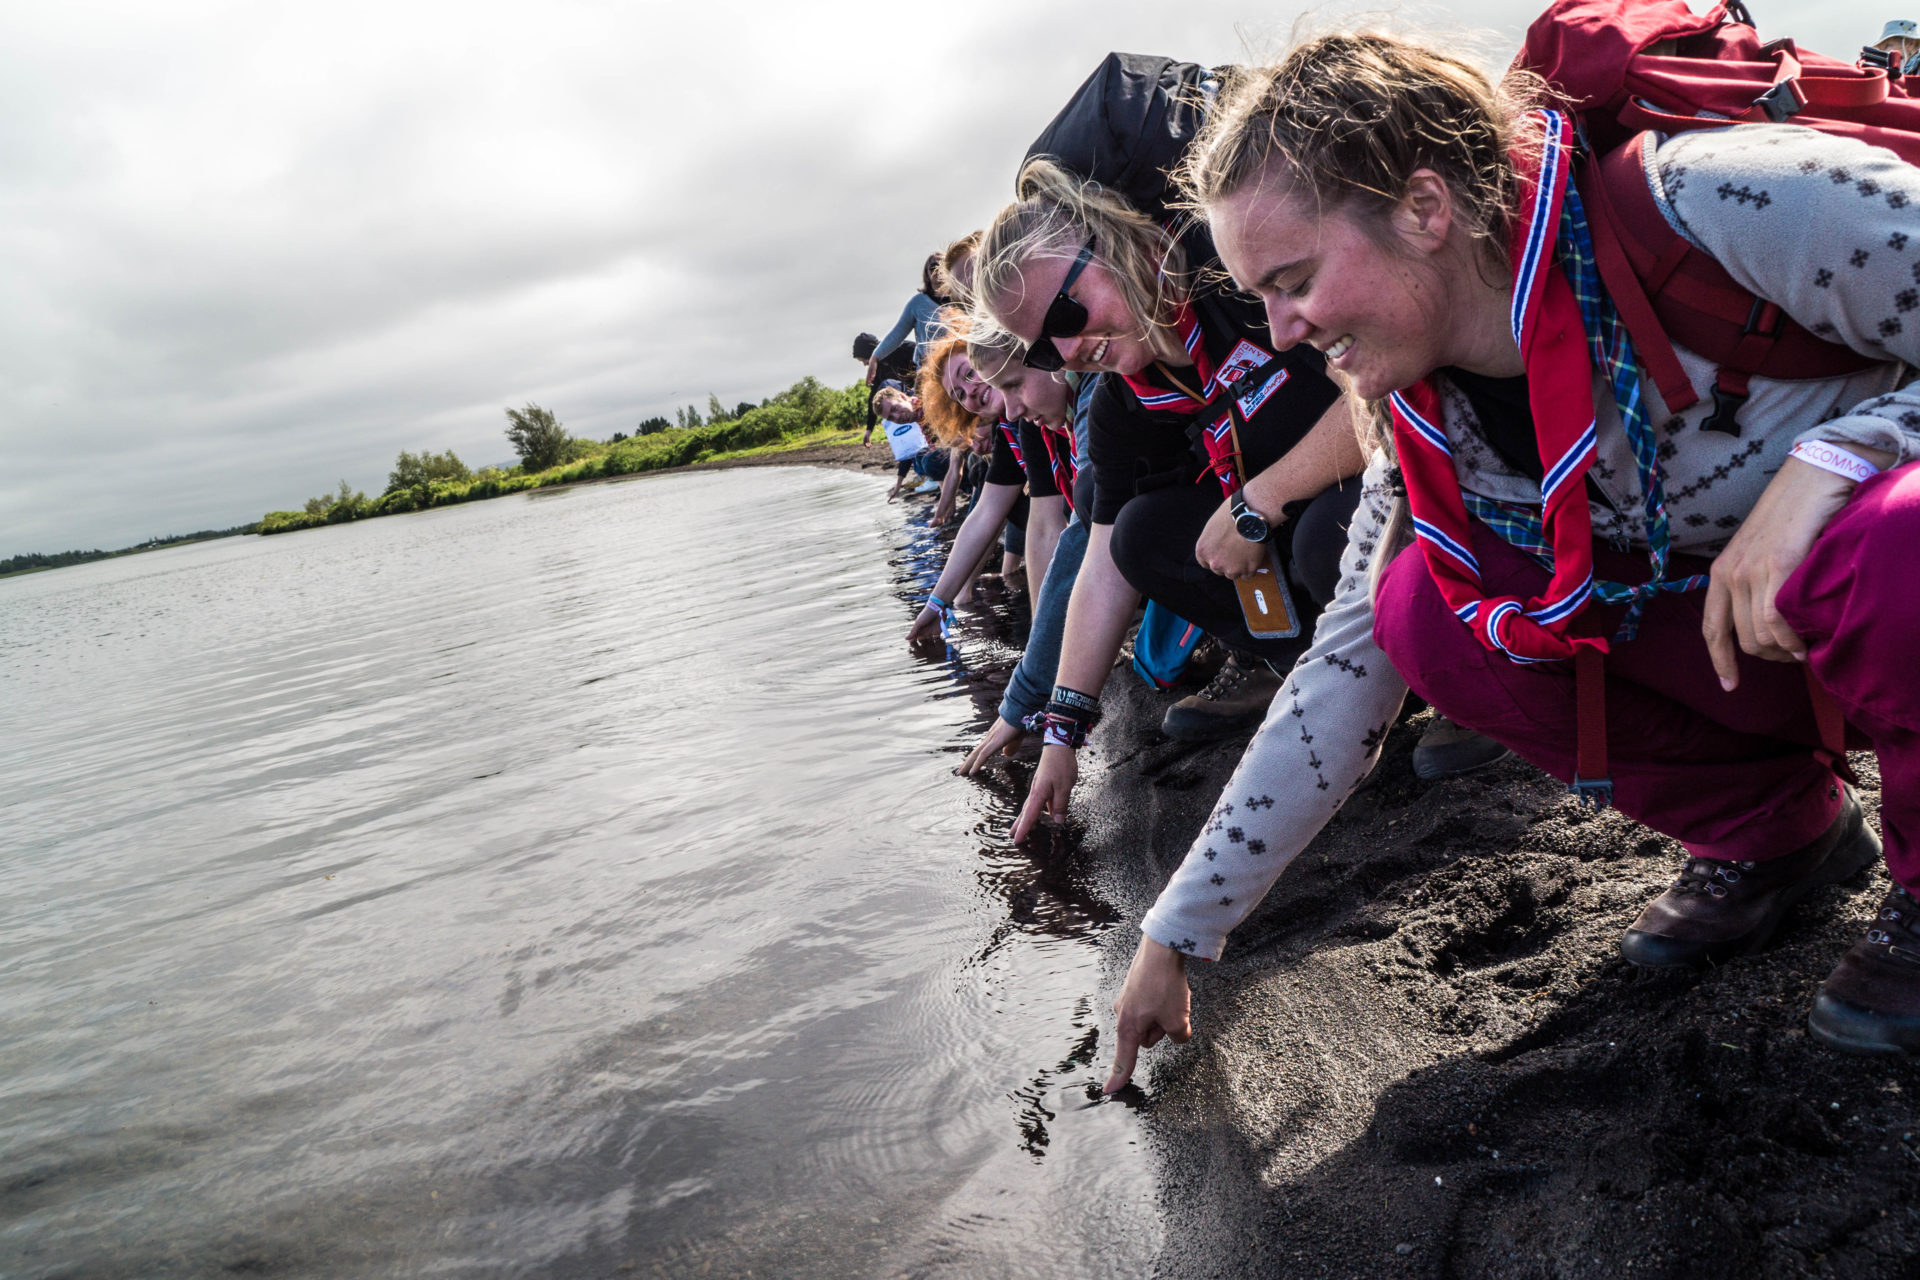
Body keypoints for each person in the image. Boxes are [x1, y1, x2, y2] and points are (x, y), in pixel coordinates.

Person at [1114, 30, 1920, 1077]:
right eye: (1258, 296)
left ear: (1424, 208)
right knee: (1419, 611)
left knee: (1897, 538)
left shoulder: (1728, 202)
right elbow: (1346, 669)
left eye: (1295, 278)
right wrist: (1176, 931)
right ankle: (1777, 830)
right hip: (1772, 644)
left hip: (1880, 588)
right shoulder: (1419, 416)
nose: (1277, 333)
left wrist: (1834, 459)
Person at [904, 324, 1068, 638]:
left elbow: (1046, 524)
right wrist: (936, 604)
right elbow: (984, 513)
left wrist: (1043, 639)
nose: (971, 393)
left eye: (969, 374)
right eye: (959, 396)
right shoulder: (1010, 427)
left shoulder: (1040, 408)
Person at [868, 254, 955, 383]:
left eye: (942, 265)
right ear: (927, 274)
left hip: (959, 366)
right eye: (933, 267)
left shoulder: (961, 297)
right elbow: (897, 333)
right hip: (930, 373)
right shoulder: (917, 303)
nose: (938, 270)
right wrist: (875, 357)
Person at [868, 386, 937, 501]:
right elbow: (906, 457)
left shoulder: (927, 407)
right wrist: (898, 485)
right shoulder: (917, 416)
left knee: (927, 459)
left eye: (894, 408)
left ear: (903, 396)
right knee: (923, 454)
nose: (896, 417)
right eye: (890, 418)